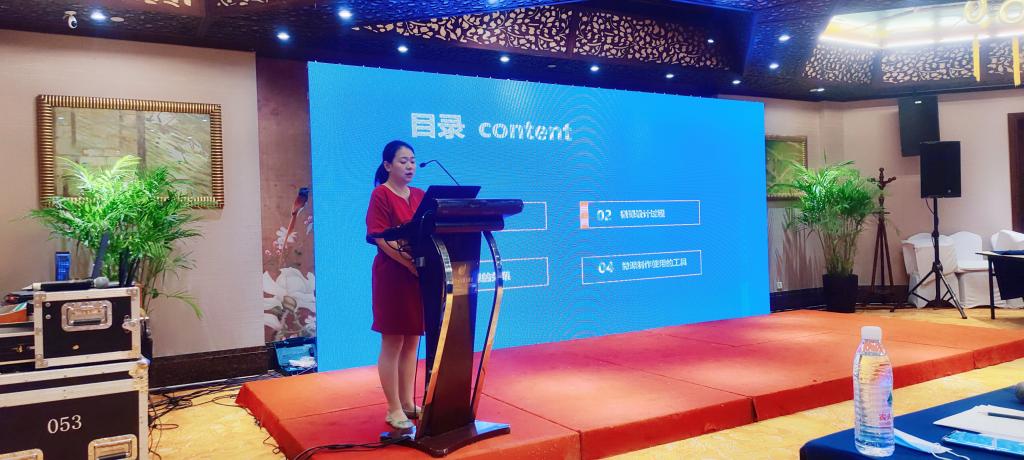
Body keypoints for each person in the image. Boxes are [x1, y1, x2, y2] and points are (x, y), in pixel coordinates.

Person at [365, 140, 426, 430]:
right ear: (388, 165)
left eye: (412, 160)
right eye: (403, 161)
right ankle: (393, 408)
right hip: (392, 275)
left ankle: (408, 402)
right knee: (393, 341)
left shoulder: (421, 196)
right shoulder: (381, 194)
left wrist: (418, 266)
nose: (410, 166)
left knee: (412, 340)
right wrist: (408, 264)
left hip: (418, 275)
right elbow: (380, 238)